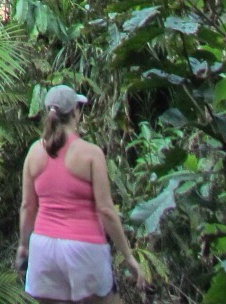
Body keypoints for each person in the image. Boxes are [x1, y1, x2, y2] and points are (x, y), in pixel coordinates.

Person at [14, 85, 145, 302]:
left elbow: (28, 206)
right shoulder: (90, 153)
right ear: (75, 111)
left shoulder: (34, 152)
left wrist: (23, 246)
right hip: (85, 248)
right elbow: (106, 210)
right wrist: (128, 256)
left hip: (44, 248)